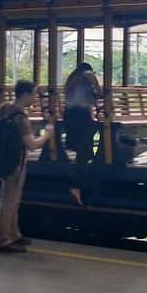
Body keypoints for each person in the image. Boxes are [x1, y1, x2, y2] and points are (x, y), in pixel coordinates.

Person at [0, 80, 54, 254]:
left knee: (9, 199)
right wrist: (47, 135)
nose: (34, 98)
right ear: (25, 94)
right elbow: (32, 145)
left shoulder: (3, 108)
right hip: (15, 161)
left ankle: (14, 235)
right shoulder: (20, 118)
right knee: (10, 201)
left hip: (1, 158)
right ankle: (4, 240)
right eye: (33, 94)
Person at [63, 62, 101, 205]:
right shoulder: (84, 76)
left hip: (71, 116)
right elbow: (90, 75)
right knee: (84, 151)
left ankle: (78, 184)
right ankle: (76, 185)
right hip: (79, 116)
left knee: (84, 151)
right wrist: (99, 90)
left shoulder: (73, 80)